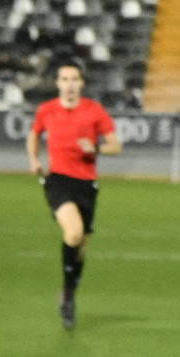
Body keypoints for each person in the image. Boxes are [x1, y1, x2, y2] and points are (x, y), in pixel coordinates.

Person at [26, 61, 122, 329]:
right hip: (58, 180)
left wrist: (96, 148)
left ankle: (68, 292)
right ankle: (68, 298)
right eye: (64, 79)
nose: (69, 84)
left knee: (80, 248)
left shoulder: (94, 110)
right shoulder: (46, 110)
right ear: (57, 83)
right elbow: (33, 135)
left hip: (87, 185)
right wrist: (33, 159)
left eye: (74, 79)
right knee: (74, 232)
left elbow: (116, 145)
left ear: (81, 83)